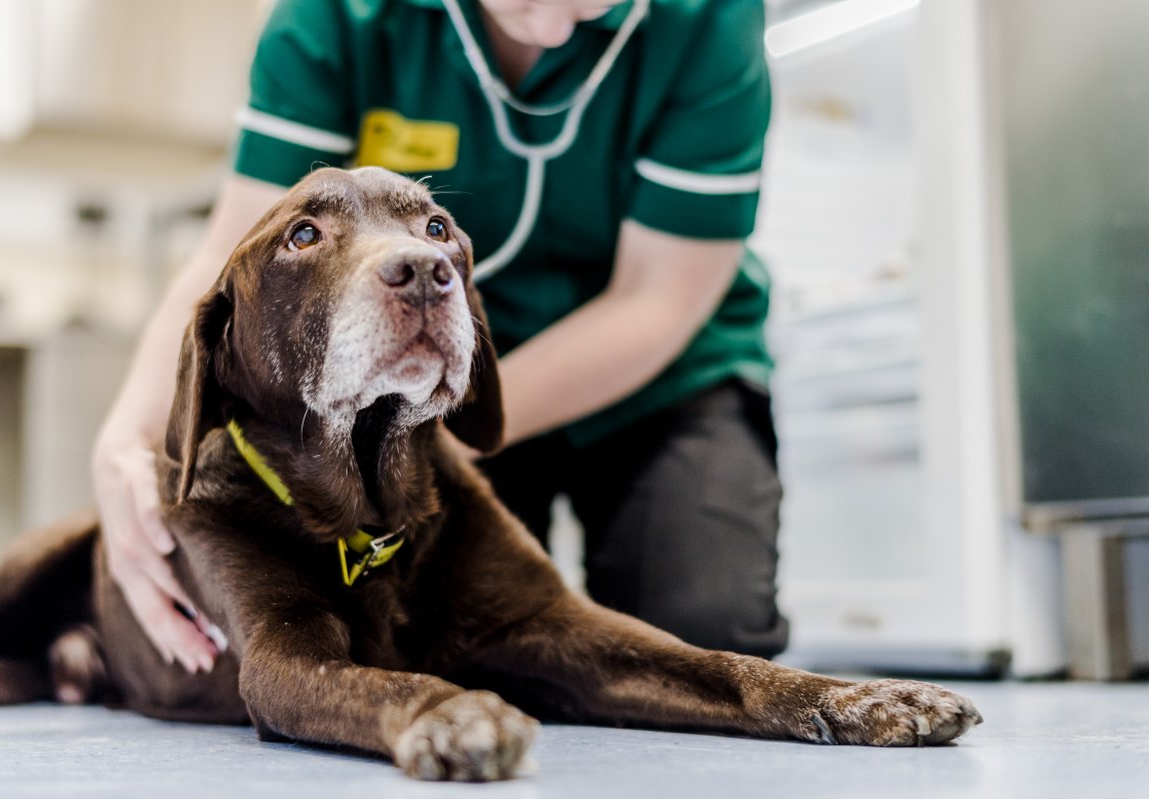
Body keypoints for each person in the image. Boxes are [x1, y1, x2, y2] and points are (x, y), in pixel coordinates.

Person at [92, 0, 787, 676]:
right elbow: (237, 257)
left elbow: (656, 299)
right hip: (416, 391)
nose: (550, 29)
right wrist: (126, 436)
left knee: (702, 625)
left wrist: (454, 392)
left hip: (657, 374)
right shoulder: (334, 15)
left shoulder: (713, 18)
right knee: (471, 643)